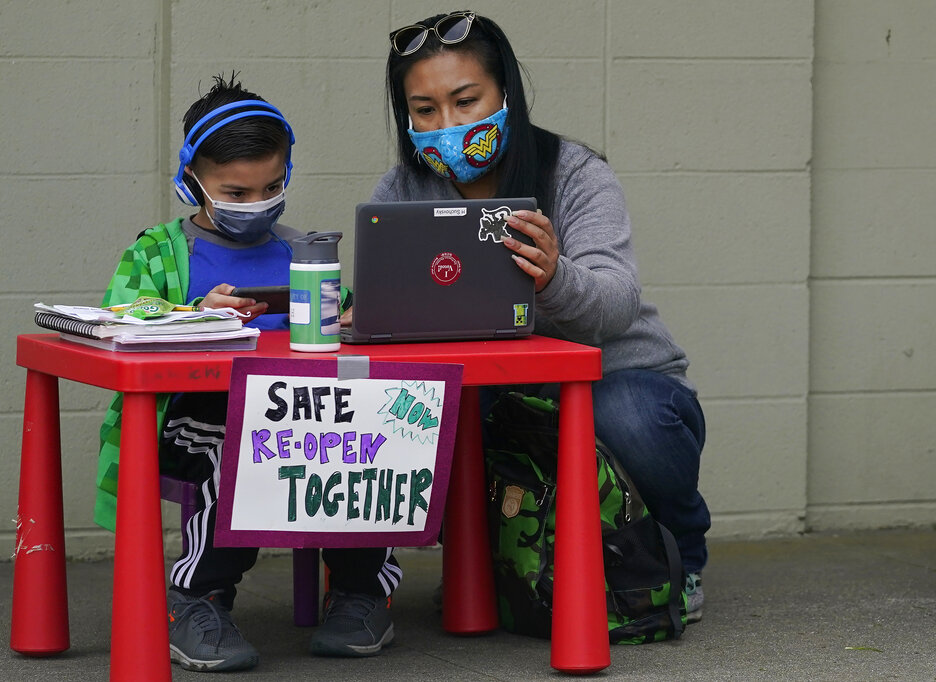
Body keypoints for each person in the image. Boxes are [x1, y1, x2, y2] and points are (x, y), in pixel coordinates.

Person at [373, 11, 710, 622]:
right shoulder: (401, 192)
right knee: (417, 416)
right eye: (424, 110)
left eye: (466, 100)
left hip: (616, 381)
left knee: (627, 416)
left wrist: (555, 275)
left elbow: (615, 301)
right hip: (491, 394)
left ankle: (681, 553)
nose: (447, 126)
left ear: (507, 93)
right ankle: (487, 564)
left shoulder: (575, 173)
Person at [96, 73, 398, 672]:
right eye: (234, 193)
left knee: (367, 440)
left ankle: (362, 592)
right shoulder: (158, 250)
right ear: (192, 182)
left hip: (303, 408)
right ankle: (197, 597)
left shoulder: (301, 249)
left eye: (270, 186)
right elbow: (119, 318)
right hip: (194, 419)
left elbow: (353, 328)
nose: (255, 203)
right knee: (238, 445)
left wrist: (355, 319)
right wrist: (190, 314)